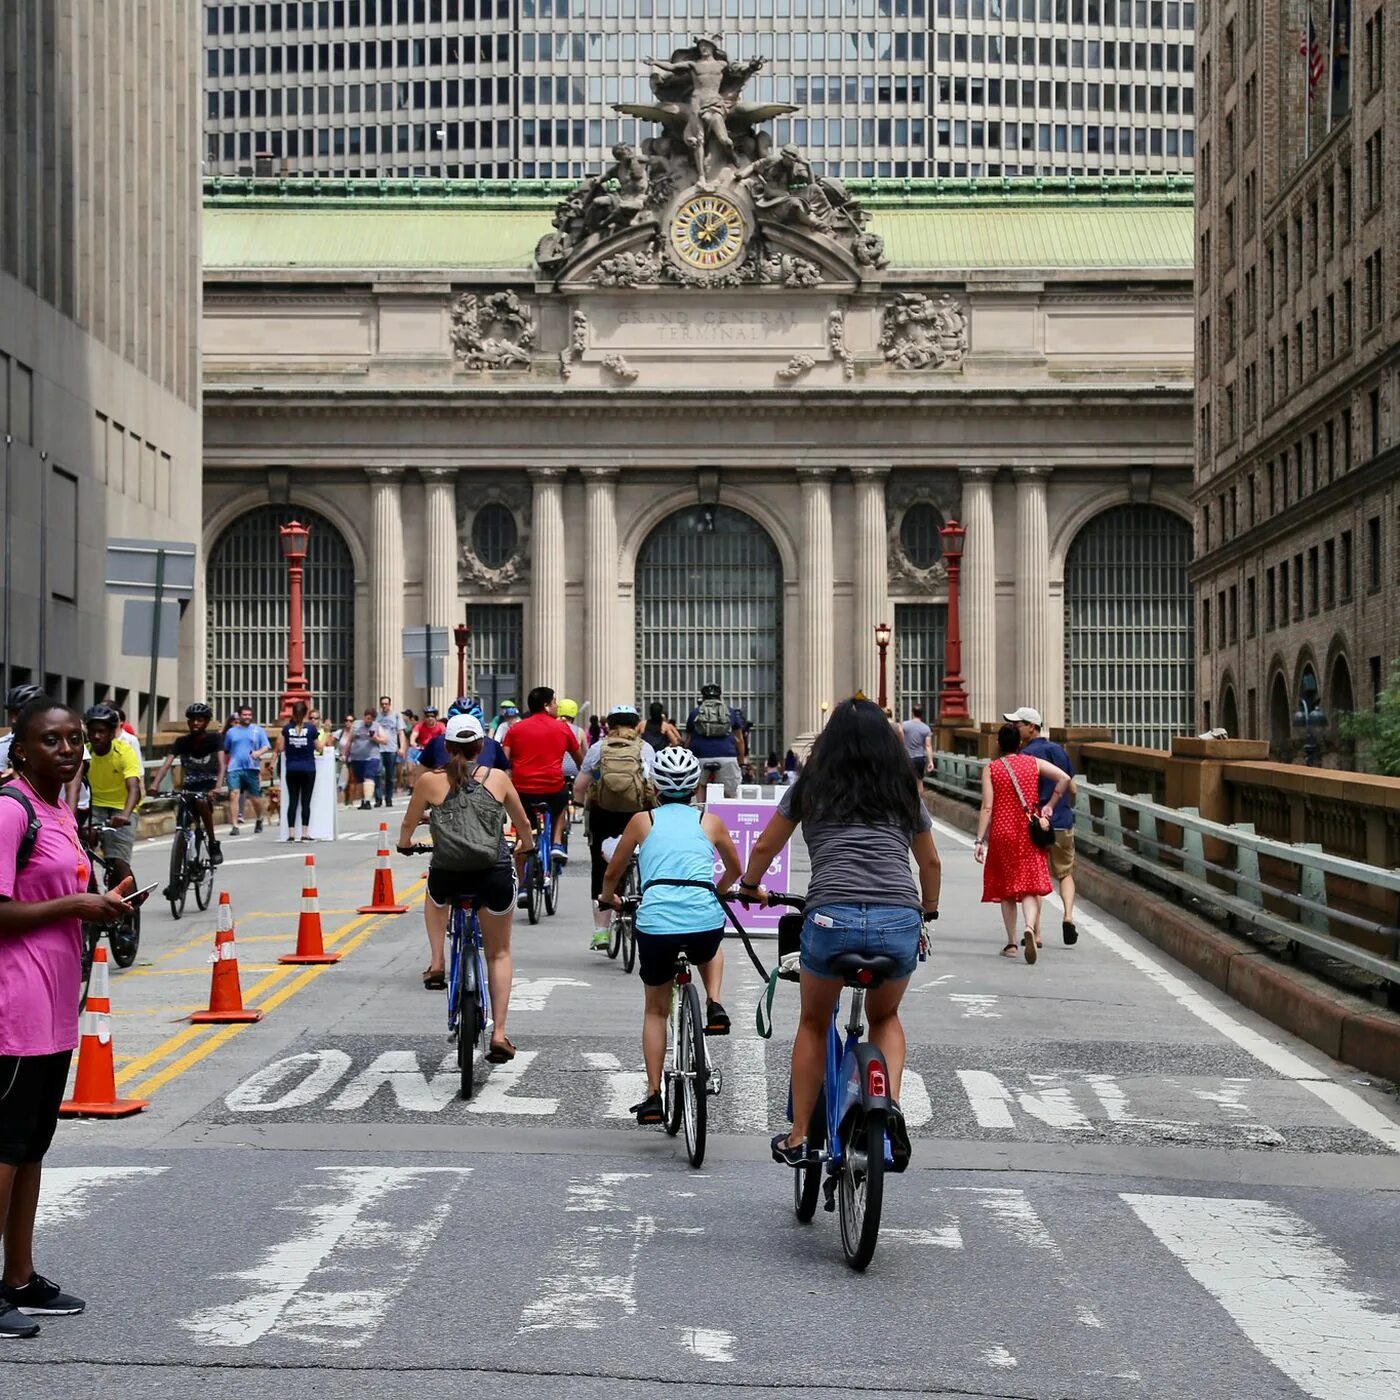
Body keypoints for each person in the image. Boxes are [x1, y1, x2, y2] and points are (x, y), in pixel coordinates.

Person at [737, 697, 941, 1167]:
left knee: (814, 1020)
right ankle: (885, 1108)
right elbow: (928, 861)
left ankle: (800, 1134)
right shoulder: (903, 787)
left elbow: (767, 844)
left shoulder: (814, 782)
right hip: (897, 919)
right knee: (885, 1018)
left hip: (831, 918)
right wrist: (926, 911)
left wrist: (749, 886)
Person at [0, 697, 136, 1340]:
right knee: (3, 1146)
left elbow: (59, 891)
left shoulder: (58, 810)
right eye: (51, 741)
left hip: (56, 1002)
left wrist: (105, 899)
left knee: (32, 1147)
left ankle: (19, 1277)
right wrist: (76, 904)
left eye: (75, 739)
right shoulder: (9, 809)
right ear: (21, 749)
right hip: (13, 1004)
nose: (69, 749)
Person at [599, 746, 739, 1125]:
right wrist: (721, 889)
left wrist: (608, 897)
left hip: (657, 923)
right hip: (702, 917)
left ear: (654, 786)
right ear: (696, 787)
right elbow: (734, 867)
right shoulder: (710, 821)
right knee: (711, 944)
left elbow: (614, 870)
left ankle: (654, 1095)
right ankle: (714, 1003)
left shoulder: (642, 821)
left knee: (656, 1009)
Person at [396, 713, 534, 1061]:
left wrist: (406, 842)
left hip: (450, 871)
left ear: (446, 747)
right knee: (499, 952)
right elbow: (523, 824)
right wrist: (526, 844)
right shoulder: (498, 778)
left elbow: (409, 825)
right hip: (494, 873)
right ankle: (499, 1033)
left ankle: (438, 961)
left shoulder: (430, 781)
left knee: (434, 893)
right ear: (481, 747)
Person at [975, 723, 1071, 963]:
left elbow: (987, 807)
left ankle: (1011, 944)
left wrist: (979, 840)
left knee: (1007, 890)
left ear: (998, 744)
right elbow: (1064, 777)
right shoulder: (1032, 763)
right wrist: (1050, 805)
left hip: (1002, 832)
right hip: (1029, 832)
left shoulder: (992, 769)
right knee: (1029, 886)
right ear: (1019, 744)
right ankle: (1030, 926)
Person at [573, 703, 657, 951]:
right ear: (635, 724)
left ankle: (601, 931)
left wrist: (578, 802)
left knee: (601, 868)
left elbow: (580, 785)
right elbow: (653, 785)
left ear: (609, 725)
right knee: (644, 865)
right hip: (637, 817)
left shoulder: (599, 749)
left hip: (604, 816)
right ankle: (642, 915)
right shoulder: (645, 749)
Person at [1006, 706, 1080, 947]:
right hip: (1062, 821)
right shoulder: (1059, 751)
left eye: (1018, 725)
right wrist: (1063, 807)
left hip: (1036, 826)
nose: (1015, 729)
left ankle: (1036, 933)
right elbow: (1072, 786)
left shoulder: (1026, 756)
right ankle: (1068, 916)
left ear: (1031, 727)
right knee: (1065, 872)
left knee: (1036, 878)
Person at [501, 687, 580, 879]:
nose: (557, 706)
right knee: (561, 805)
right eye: (554, 702)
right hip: (553, 788)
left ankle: (521, 887)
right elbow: (579, 759)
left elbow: (504, 761)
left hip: (523, 791)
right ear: (546, 706)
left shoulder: (515, 729)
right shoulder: (562, 728)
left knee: (522, 833)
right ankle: (556, 843)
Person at [147, 703, 227, 868]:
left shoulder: (215, 739)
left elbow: (222, 764)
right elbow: (166, 764)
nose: (195, 723)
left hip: (208, 787)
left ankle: (212, 843)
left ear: (206, 722)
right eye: (192, 720)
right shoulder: (182, 742)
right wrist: (154, 784)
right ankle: (177, 877)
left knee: (201, 802)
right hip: (189, 787)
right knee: (182, 824)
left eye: (200, 720)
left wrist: (217, 787)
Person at [81, 705, 142, 892]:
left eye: (102, 731)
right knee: (82, 849)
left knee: (118, 860)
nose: (96, 736)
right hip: (95, 807)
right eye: (92, 731)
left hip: (122, 808)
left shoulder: (124, 751)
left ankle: (130, 903)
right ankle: (90, 890)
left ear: (111, 733)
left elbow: (134, 788)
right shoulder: (84, 753)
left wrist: (124, 815)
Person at [684, 683, 748, 798]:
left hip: (700, 757)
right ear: (720, 697)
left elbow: (688, 740)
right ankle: (730, 812)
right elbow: (740, 740)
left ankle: (701, 808)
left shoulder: (695, 713)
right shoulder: (730, 712)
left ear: (703, 697)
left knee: (700, 786)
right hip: (727, 756)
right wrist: (741, 761)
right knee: (731, 793)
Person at [223, 706, 271, 835]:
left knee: (255, 797)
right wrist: (223, 767)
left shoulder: (258, 730)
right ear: (239, 716)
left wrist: (258, 752)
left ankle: (259, 818)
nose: (247, 717)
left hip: (252, 767)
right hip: (234, 767)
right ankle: (234, 825)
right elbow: (226, 749)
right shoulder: (231, 732)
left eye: (249, 714)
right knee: (234, 794)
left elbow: (266, 746)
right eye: (245, 715)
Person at [277, 702, 322, 841]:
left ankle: (291, 833)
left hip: (291, 768)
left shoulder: (287, 728)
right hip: (308, 768)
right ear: (305, 714)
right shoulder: (311, 729)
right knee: (305, 801)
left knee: (293, 800)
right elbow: (319, 748)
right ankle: (304, 832)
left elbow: (281, 747)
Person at [0, 685, 45, 777]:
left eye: (18, 714)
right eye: (11, 714)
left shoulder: (64, 739)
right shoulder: (4, 746)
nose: (13, 720)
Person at [346, 709, 384, 810]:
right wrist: (344, 753)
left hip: (372, 757)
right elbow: (349, 740)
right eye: (367, 718)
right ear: (364, 716)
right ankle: (363, 800)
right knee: (359, 780)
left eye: (371, 719)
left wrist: (375, 738)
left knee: (369, 777)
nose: (368, 721)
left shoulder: (376, 726)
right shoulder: (356, 725)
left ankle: (367, 801)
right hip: (357, 757)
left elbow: (385, 740)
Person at [372, 696, 406, 808]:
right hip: (378, 749)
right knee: (377, 773)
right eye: (382, 704)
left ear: (389, 704)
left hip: (391, 748)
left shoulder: (396, 716)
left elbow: (401, 733)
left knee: (390, 776)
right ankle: (378, 798)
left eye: (386, 704)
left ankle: (388, 798)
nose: (384, 706)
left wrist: (402, 748)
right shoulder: (377, 717)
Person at [900, 703, 934, 780]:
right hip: (919, 758)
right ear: (922, 714)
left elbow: (899, 740)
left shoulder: (904, 725)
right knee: (919, 782)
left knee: (905, 781)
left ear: (912, 712)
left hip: (906, 757)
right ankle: (919, 792)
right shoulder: (926, 728)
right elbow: (928, 746)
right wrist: (931, 761)